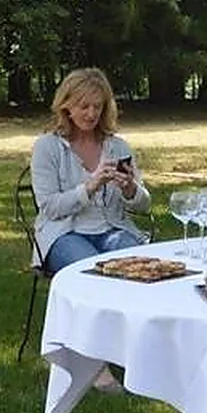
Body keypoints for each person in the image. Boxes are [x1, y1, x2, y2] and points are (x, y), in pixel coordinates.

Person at [30, 68, 152, 276]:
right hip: (64, 234)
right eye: (84, 106)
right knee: (94, 276)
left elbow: (145, 205)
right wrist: (90, 186)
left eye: (98, 106)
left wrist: (130, 189)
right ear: (66, 107)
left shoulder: (117, 146)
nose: (92, 114)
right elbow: (50, 207)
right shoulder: (48, 146)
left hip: (113, 231)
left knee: (142, 270)